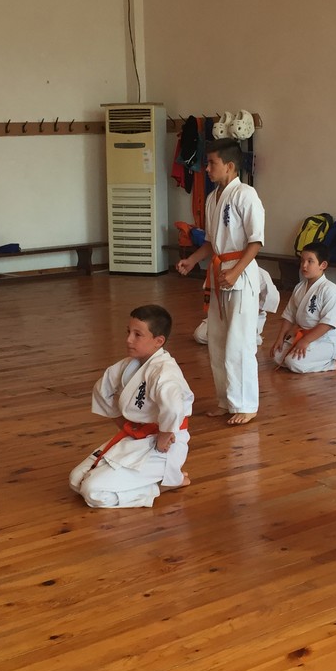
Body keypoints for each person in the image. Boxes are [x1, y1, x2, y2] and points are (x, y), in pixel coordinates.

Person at [175, 138, 266, 425]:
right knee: (217, 341)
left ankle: (247, 404)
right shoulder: (213, 197)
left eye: (212, 163)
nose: (207, 168)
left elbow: (256, 241)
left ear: (229, 166)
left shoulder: (246, 195)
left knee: (239, 342)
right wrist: (192, 260)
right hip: (218, 273)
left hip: (240, 275)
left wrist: (236, 271)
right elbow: (212, 242)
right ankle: (226, 401)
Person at [69, 304, 193, 508]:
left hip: (165, 445)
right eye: (128, 332)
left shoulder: (165, 372)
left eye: (137, 335)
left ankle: (160, 486)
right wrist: (125, 425)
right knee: (76, 481)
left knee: (93, 492)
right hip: (137, 437)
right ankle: (160, 481)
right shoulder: (128, 365)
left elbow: (173, 409)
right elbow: (102, 390)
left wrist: (163, 436)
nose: (128, 339)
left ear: (158, 341)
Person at [271, 242, 336, 373]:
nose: (304, 265)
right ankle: (317, 357)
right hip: (304, 335)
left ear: (323, 265)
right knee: (277, 356)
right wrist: (280, 338)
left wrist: (305, 341)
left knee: (293, 362)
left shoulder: (331, 290)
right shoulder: (299, 287)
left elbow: (327, 324)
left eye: (310, 261)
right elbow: (289, 315)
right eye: (302, 261)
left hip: (325, 339)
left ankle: (331, 361)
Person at [194, 265, 278, 346]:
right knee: (200, 335)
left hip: (247, 318)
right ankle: (232, 339)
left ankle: (247, 338)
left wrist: (252, 311)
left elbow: (272, 298)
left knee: (235, 341)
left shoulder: (260, 272)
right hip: (222, 315)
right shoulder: (218, 267)